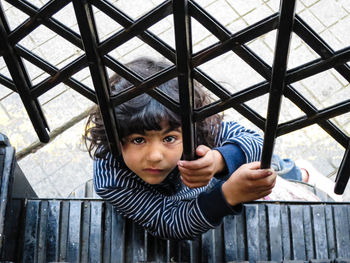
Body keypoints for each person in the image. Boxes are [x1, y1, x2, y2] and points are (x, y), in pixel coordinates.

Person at [84, 58, 306, 240]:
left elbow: (257, 143)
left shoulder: (200, 131)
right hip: (208, 203)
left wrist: (218, 160)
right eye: (138, 140)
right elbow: (168, 223)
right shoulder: (111, 177)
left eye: (169, 138)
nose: (154, 156)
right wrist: (228, 195)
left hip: (233, 178)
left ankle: (300, 173)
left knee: (276, 169)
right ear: (113, 134)